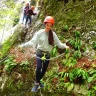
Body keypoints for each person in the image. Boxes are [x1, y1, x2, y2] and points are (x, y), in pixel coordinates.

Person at [18, 16, 69, 92]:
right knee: (39, 67)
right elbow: (32, 42)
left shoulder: (53, 34)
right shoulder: (39, 33)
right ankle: (37, 84)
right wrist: (23, 46)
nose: (48, 27)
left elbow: (59, 44)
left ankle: (38, 81)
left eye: (50, 25)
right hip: (39, 52)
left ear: (52, 25)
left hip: (47, 54)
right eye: (47, 25)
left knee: (44, 70)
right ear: (45, 24)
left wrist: (65, 46)